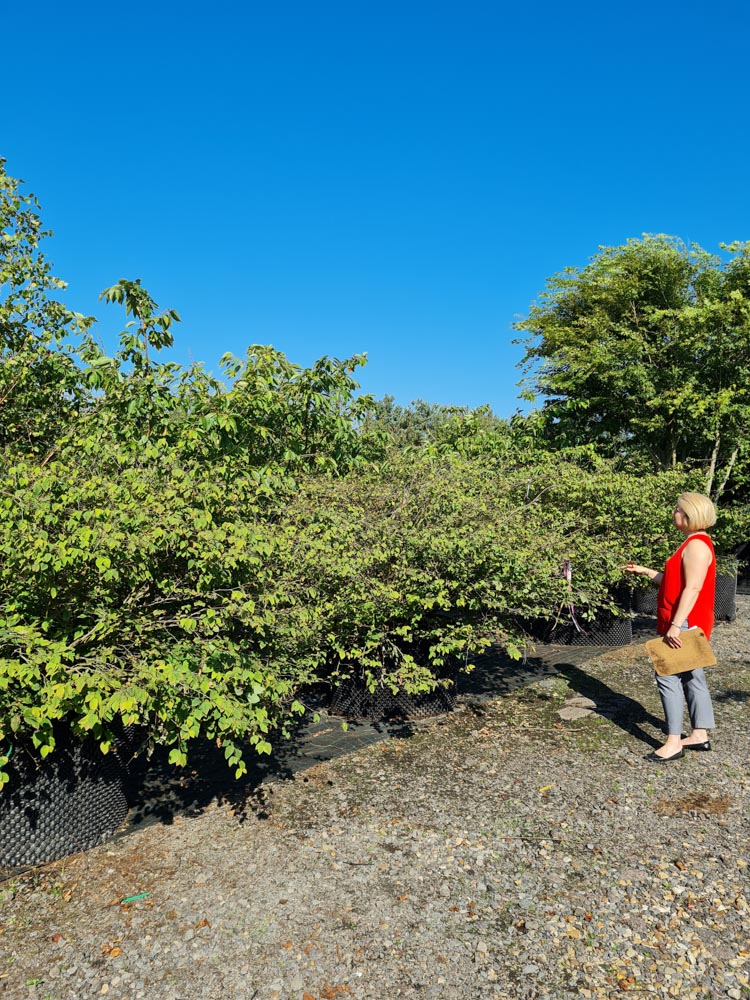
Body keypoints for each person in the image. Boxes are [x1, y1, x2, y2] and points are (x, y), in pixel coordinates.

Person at [623, 493, 717, 762]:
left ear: (689, 515)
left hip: (684, 621)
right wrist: (645, 571)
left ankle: (674, 742)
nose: (674, 513)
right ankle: (699, 734)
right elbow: (675, 582)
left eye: (677, 509)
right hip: (687, 620)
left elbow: (693, 588)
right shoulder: (694, 542)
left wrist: (676, 625)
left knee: (667, 675)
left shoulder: (696, 546)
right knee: (692, 675)